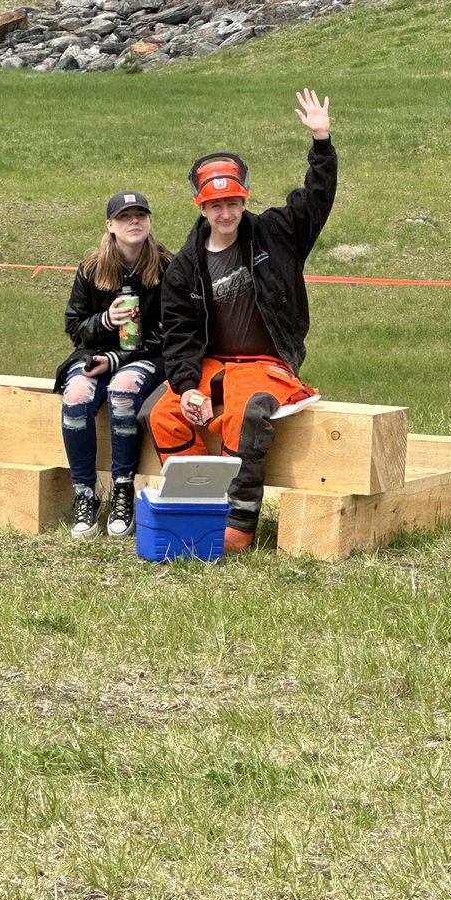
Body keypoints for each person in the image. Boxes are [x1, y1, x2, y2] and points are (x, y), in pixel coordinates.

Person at [142, 88, 337, 554]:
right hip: (212, 365)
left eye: (233, 203)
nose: (225, 213)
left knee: (243, 414)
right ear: (201, 208)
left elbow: (315, 202)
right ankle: (193, 510)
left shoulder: (276, 232)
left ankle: (237, 527)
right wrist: (188, 387)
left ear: (243, 200)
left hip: (265, 363)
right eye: (215, 205)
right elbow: (180, 335)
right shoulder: (185, 265)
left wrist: (322, 144)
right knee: (163, 414)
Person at [54, 192, 171, 540]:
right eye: (124, 217)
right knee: (75, 395)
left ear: (150, 222)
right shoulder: (91, 268)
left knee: (122, 391)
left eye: (140, 215)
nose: (133, 222)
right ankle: (85, 494)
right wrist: (105, 320)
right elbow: (75, 328)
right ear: (110, 226)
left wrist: (119, 359)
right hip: (95, 356)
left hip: (148, 358)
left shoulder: (168, 266)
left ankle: (123, 490)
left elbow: (172, 331)